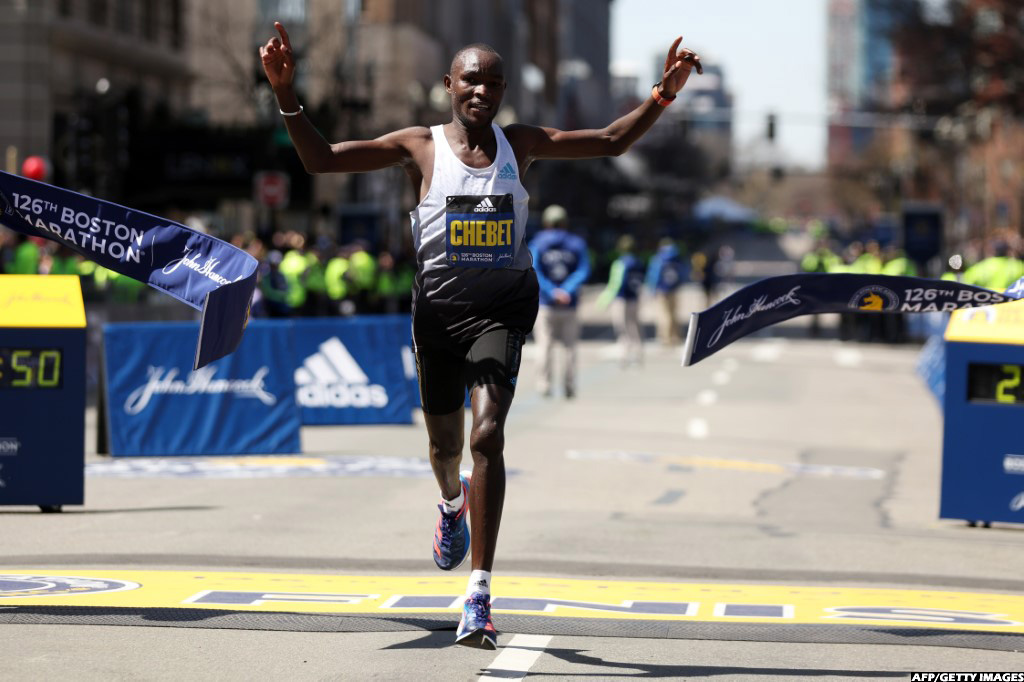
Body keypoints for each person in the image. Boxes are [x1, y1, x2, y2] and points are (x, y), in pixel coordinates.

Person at [260, 22, 701, 649]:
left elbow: (608, 141)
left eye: (493, 83)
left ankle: (479, 594)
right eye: (471, 80)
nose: (482, 92)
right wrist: (285, 94)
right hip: (436, 315)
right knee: (445, 451)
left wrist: (663, 94)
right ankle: (449, 506)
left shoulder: (519, 144)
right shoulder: (419, 146)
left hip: (502, 310)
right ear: (448, 85)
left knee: (487, 437)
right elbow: (321, 160)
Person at [528, 204, 590, 398]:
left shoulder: (538, 243)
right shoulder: (577, 243)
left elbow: (534, 269)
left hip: (546, 304)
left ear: (546, 223)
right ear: (564, 223)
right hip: (569, 305)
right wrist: (566, 290)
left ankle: (544, 384)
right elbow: (583, 270)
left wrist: (552, 291)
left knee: (544, 346)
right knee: (569, 347)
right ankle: (569, 385)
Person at [598, 235, 647, 366]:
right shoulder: (639, 263)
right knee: (635, 326)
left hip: (621, 299)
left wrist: (604, 300)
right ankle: (638, 353)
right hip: (634, 298)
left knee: (622, 329)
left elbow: (615, 284)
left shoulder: (620, 263)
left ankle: (624, 355)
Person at [644, 238, 687, 346]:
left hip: (662, 290)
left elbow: (654, 275)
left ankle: (665, 338)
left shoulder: (659, 258)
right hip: (674, 289)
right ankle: (676, 336)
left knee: (663, 315)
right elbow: (683, 272)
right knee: (674, 313)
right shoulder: (676, 258)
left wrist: (652, 289)